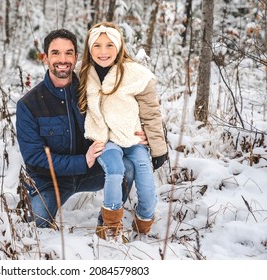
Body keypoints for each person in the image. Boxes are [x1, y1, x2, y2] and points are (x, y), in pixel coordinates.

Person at [15, 29, 146, 229]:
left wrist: (138, 134)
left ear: (76, 58)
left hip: (90, 171)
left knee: (126, 168)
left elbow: (121, 113)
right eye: (55, 53)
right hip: (51, 180)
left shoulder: (91, 90)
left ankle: (108, 224)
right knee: (36, 223)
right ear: (45, 58)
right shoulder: (29, 104)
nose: (62, 59)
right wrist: (81, 161)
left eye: (69, 53)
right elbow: (35, 158)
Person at [76, 22, 168, 241]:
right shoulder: (83, 72)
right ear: (89, 48)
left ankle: (144, 221)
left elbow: (151, 113)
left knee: (145, 178)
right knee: (115, 170)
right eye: (97, 45)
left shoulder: (135, 74)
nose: (103, 51)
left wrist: (158, 147)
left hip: (133, 137)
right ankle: (110, 224)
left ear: (119, 47)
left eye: (109, 45)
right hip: (104, 139)